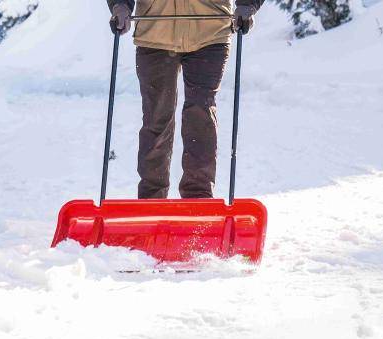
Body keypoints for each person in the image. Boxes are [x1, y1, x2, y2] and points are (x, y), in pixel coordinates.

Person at [105, 0, 264, 199]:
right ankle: (151, 200)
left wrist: (247, 5)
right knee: (156, 117)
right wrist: (120, 6)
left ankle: (198, 197)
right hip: (155, 31)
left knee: (200, 113)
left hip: (210, 32)